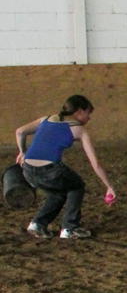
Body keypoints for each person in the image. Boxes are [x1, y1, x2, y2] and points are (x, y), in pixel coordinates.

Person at [15, 95, 115, 239]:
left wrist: (22, 152)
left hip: (28, 169)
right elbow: (95, 164)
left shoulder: (46, 119)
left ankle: (37, 224)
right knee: (77, 186)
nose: (89, 118)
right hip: (50, 170)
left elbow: (20, 132)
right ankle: (70, 227)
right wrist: (109, 186)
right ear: (80, 111)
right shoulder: (79, 130)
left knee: (59, 191)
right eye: (88, 113)